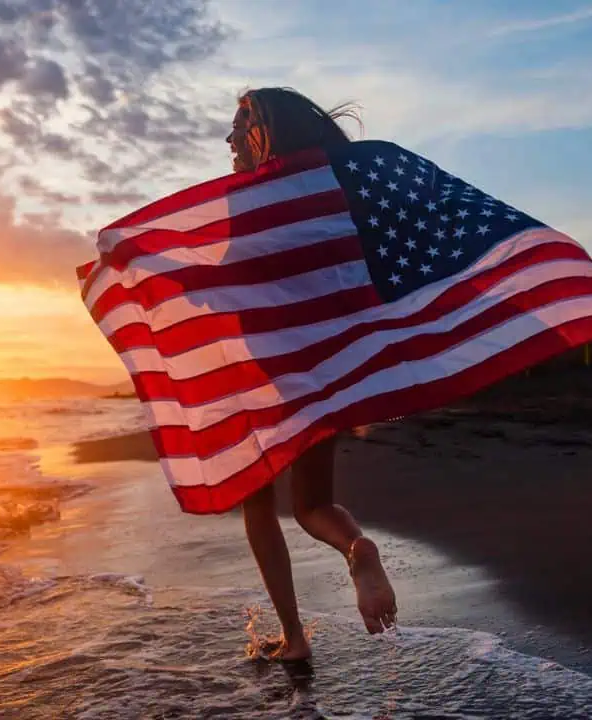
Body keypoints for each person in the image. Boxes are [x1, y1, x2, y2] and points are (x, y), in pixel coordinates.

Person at [225, 87, 398, 678]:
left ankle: (294, 637)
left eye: (238, 127)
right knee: (313, 504)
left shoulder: (247, 203)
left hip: (263, 376)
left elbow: (225, 280)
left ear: (263, 134)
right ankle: (357, 549)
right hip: (319, 373)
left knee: (258, 506)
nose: (227, 141)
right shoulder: (324, 196)